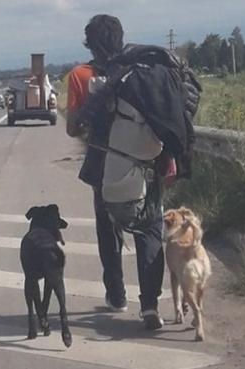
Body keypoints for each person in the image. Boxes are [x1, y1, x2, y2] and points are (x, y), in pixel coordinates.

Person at [66, 14, 166, 330]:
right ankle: (150, 305)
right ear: (121, 38)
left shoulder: (80, 75)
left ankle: (117, 295)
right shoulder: (142, 71)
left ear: (88, 42)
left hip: (102, 162)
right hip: (147, 161)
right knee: (149, 228)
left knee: (108, 227)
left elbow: (72, 128)